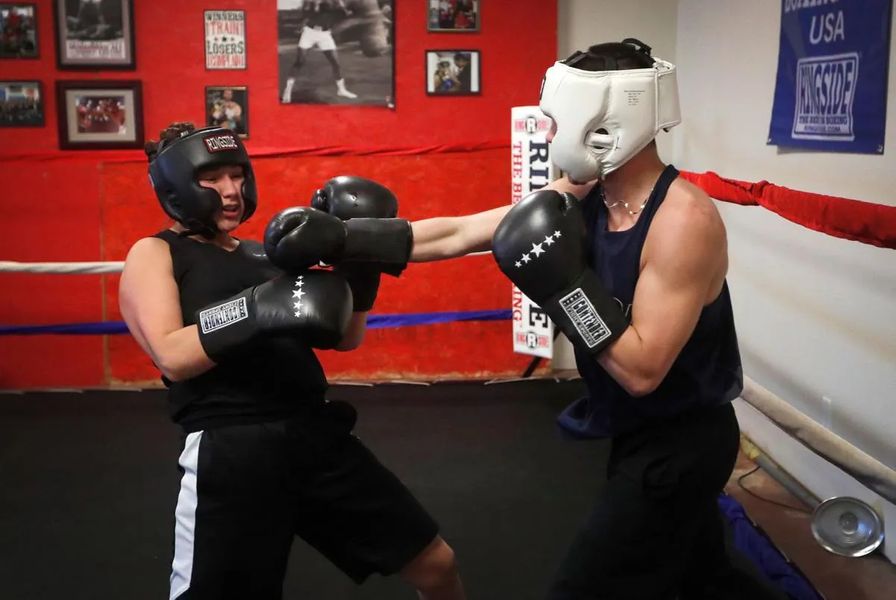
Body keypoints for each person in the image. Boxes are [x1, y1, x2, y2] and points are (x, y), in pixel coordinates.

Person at [271, 39, 787, 599]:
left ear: (609, 121)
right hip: (637, 433)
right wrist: (347, 238)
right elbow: (463, 231)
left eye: (559, 119)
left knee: (585, 587)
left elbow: (643, 370)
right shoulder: (586, 193)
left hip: (681, 444)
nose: (548, 132)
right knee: (703, 578)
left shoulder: (683, 221)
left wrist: (565, 286)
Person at [118, 122, 465, 600]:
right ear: (177, 186)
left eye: (238, 175)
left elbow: (345, 338)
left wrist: (359, 270)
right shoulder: (155, 253)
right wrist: (256, 307)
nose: (231, 190)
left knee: (435, 563)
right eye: (212, 179)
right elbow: (172, 355)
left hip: (314, 434)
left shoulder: (267, 254)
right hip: (234, 448)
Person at [281, 0, 358, 102]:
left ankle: (341, 90)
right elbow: (309, 11)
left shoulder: (338, 9)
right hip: (309, 33)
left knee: (335, 63)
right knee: (300, 61)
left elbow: (347, 13)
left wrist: (340, 4)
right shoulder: (316, 5)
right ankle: (288, 90)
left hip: (325, 35)